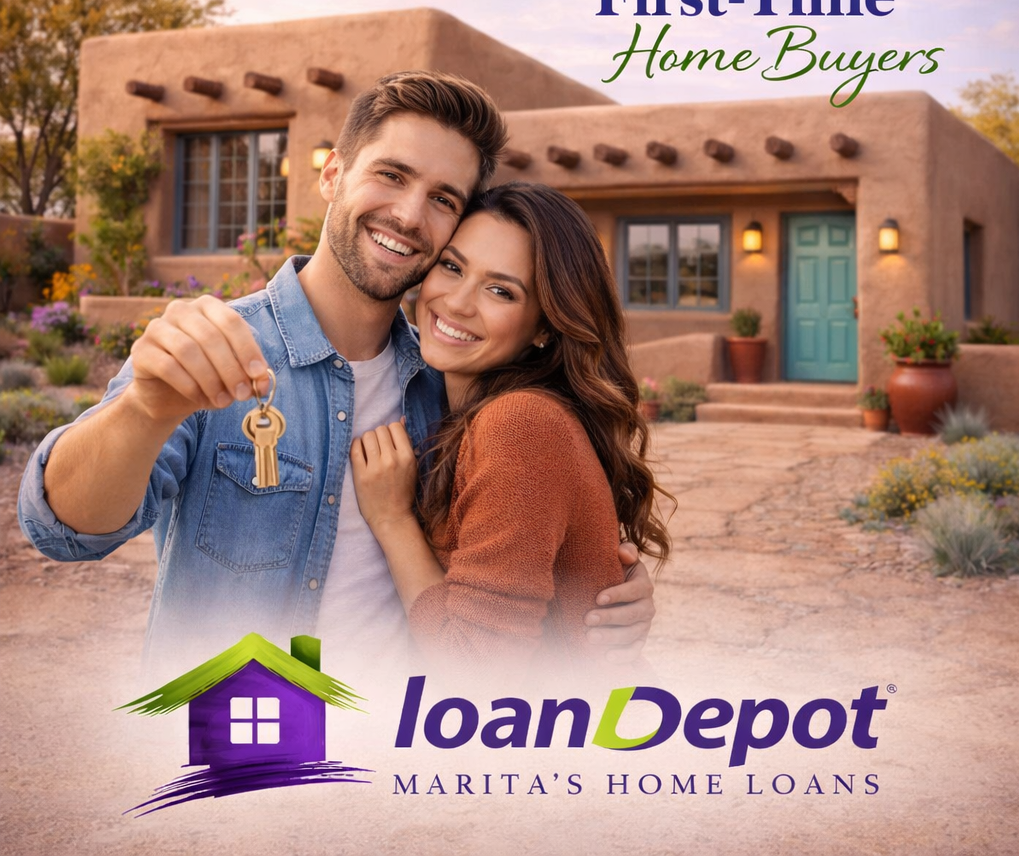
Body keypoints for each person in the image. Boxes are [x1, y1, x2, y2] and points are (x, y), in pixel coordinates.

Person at [17, 70, 654, 678]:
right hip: (241, 753)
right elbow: (64, 531)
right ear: (333, 175)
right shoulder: (217, 347)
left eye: (441, 199)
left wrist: (602, 591)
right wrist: (145, 409)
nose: (408, 214)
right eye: (392, 174)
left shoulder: (456, 391)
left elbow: (506, 575)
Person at [350, 183, 671, 677]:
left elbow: (475, 669)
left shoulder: (518, 425)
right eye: (453, 267)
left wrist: (394, 522)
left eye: (501, 290)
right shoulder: (450, 401)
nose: (456, 302)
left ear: (545, 327)